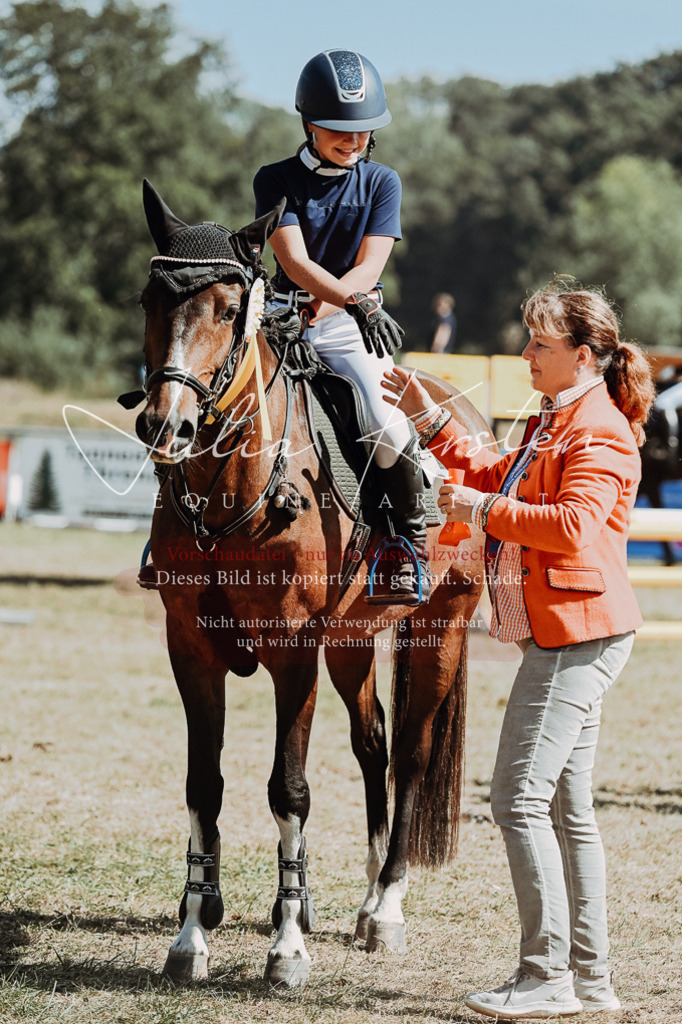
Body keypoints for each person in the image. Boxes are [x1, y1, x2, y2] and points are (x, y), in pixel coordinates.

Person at [382, 278, 655, 1019]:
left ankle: (546, 978)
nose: (526, 353)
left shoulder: (597, 430)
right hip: (570, 631)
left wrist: (479, 509)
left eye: (540, 343)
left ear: (585, 355)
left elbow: (569, 526)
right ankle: (589, 981)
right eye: (528, 339)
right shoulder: (552, 418)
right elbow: (493, 471)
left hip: (578, 635)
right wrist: (433, 420)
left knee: (518, 799)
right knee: (568, 811)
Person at [253, 49, 431, 606]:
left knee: (383, 418)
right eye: (339, 132)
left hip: (349, 325)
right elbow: (294, 264)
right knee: (205, 393)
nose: (353, 142)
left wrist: (335, 309)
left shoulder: (382, 182)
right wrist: (319, 308)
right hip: (278, 318)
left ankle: (407, 541)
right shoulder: (275, 179)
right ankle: (170, 531)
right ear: (308, 122)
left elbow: (368, 267)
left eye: (363, 132)